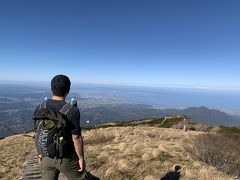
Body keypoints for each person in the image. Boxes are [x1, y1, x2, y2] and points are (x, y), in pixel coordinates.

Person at [34, 74, 86, 180]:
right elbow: (76, 138)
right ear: (68, 89)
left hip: (46, 157)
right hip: (66, 158)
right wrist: (81, 158)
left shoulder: (40, 107)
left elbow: (38, 132)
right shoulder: (72, 111)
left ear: (51, 88)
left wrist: (40, 153)